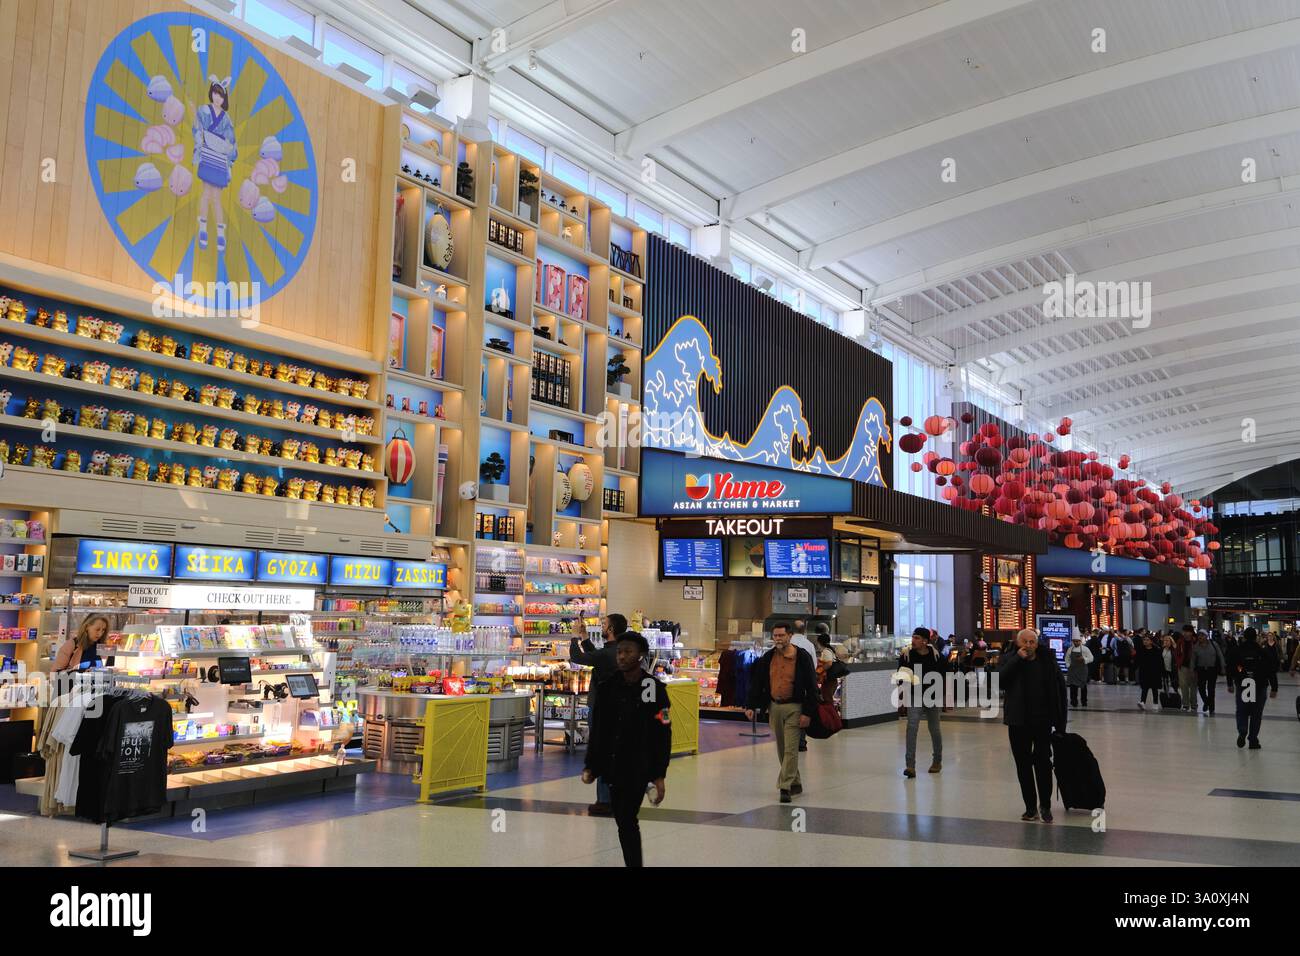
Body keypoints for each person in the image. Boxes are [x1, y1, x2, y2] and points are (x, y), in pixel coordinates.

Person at [581, 632, 671, 867]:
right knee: (623, 819)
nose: (621, 656)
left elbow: (662, 731)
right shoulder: (608, 685)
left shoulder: (651, 687)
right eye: (619, 651)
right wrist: (591, 765)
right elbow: (599, 729)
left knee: (628, 818)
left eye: (627, 652)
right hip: (614, 763)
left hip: (639, 764)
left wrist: (659, 774)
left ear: (640, 656)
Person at [745, 623, 819, 803]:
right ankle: (796, 782)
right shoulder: (768, 657)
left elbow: (811, 686)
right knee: (782, 748)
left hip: (795, 707)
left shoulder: (802, 657)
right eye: (775, 636)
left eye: (781, 636)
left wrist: (808, 713)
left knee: (791, 748)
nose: (777, 639)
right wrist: (750, 705)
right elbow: (758, 683)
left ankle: (784, 786)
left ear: (790, 636)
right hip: (774, 707)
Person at [1000, 628, 1068, 823]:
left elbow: (1059, 691)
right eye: (1025, 642)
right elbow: (1000, 681)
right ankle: (1030, 807)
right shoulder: (1009, 659)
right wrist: (1017, 660)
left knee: (1043, 764)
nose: (1029, 646)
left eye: (1032, 642)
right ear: (1018, 643)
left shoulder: (1047, 661)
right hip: (1018, 721)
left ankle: (1045, 806)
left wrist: (1060, 722)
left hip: (1042, 720)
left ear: (1037, 644)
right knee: (1023, 765)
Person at [569, 612, 626, 816]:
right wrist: (585, 638)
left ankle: (604, 801)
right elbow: (597, 658)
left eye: (604, 624)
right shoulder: (619, 651)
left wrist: (575, 637)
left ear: (611, 630)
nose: (601, 627)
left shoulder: (608, 653)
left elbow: (578, 658)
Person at [898, 626, 947, 777]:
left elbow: (944, 674)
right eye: (913, 637)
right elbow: (901, 675)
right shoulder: (907, 655)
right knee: (911, 727)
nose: (913, 640)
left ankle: (937, 761)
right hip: (915, 695)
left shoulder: (936, 655)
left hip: (932, 696)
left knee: (934, 729)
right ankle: (910, 766)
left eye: (917, 638)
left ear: (925, 641)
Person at [1225, 627, 1279, 749]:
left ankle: (1242, 730)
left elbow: (1229, 667)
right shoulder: (1262, 651)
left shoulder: (1236, 650)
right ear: (1256, 637)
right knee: (1256, 713)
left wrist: (1230, 683)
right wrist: (1274, 687)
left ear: (1244, 637)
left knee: (1241, 710)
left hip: (1243, 684)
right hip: (1259, 685)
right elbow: (1271, 670)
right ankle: (1253, 739)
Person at [790, 620, 819, 752]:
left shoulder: (788, 644)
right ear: (804, 630)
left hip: (788, 684)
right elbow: (814, 666)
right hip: (804, 686)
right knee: (801, 712)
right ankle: (801, 741)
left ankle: (790, 740)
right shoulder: (809, 645)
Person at [1190, 630, 1225, 715]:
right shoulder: (1196, 647)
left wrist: (1223, 667)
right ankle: (1206, 702)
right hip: (1201, 669)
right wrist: (1192, 670)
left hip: (1212, 669)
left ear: (1206, 636)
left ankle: (1212, 708)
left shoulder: (1214, 645)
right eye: (1199, 635)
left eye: (1202, 635)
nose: (1200, 637)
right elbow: (1193, 660)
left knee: (1211, 689)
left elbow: (1220, 655)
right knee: (1201, 688)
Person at [1133, 634, 1164, 711]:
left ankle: (1155, 703)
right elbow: (1137, 660)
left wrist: (1162, 671)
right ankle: (1142, 702)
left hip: (1154, 671)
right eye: (1144, 640)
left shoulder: (1157, 650)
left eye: (1147, 640)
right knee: (1144, 687)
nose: (1145, 641)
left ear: (1151, 641)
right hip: (1144, 671)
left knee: (1154, 688)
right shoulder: (1141, 650)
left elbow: (1160, 661)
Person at [1064, 634, 1092, 708]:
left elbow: (1091, 658)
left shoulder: (1085, 649)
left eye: (1077, 641)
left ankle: (1084, 701)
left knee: (1083, 687)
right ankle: (1073, 702)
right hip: (1072, 670)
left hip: (1082, 670)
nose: (1076, 643)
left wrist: (1084, 659)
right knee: (1073, 687)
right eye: (1074, 641)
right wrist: (1068, 665)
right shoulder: (1070, 649)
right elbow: (1067, 658)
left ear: (1080, 641)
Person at [1176, 625, 1198, 712]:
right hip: (1183, 666)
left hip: (1194, 667)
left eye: (1187, 631)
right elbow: (1177, 653)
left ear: (1191, 632)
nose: (1185, 633)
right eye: (1184, 631)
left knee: (1193, 686)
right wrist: (1178, 663)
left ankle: (1194, 705)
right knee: (1183, 685)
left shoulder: (1196, 641)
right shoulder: (1180, 641)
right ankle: (1185, 704)